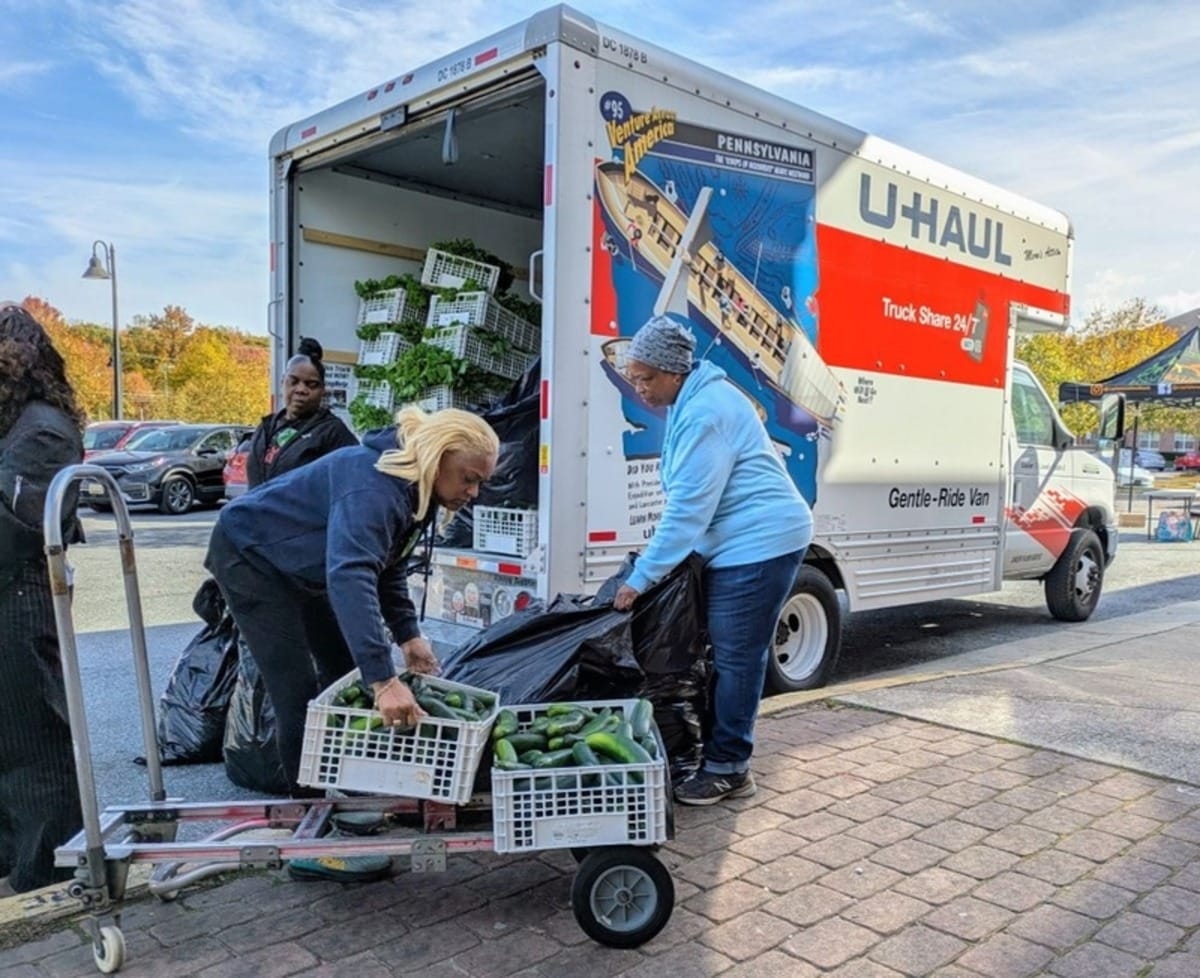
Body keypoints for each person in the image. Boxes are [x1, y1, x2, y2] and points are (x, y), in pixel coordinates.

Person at [205, 406, 499, 796]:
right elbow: (351, 574)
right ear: (436, 456)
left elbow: (387, 564)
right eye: (469, 479)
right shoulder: (372, 487)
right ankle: (308, 814)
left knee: (345, 670)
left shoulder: (417, 490)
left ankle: (349, 779)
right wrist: (383, 681)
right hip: (251, 558)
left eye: (481, 483)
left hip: (307, 564)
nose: (473, 492)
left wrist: (408, 636)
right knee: (297, 689)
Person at [613, 314, 812, 806]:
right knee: (721, 654)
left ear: (673, 372)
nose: (639, 388)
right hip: (737, 540)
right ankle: (714, 753)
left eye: (646, 378)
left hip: (762, 541)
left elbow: (688, 511)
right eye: (633, 378)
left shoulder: (706, 412)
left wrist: (641, 578)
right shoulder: (693, 400)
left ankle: (729, 768)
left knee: (737, 655)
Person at [0, 303, 85, 894]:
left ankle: (47, 878)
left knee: (38, 748)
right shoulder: (24, 424)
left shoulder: (44, 430)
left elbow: (17, 526)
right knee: (15, 745)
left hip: (22, 598)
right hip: (13, 593)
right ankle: (19, 865)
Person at [244, 337, 357, 487]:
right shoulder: (266, 427)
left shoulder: (332, 432)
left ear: (323, 390)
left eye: (311, 385)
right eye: (294, 381)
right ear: (283, 382)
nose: (301, 390)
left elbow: (354, 480)